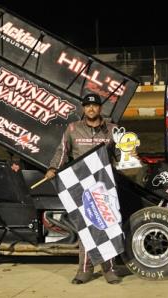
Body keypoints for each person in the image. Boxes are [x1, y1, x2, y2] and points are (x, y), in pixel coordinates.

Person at [45, 93, 121, 285]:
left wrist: (130, 154)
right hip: (81, 187)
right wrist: (54, 168)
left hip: (105, 187)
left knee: (107, 226)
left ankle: (110, 269)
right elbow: (62, 151)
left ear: (100, 109)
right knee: (86, 229)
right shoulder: (73, 129)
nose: (91, 108)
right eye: (87, 105)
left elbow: (121, 156)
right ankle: (85, 270)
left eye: (94, 106)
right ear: (83, 108)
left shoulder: (112, 130)